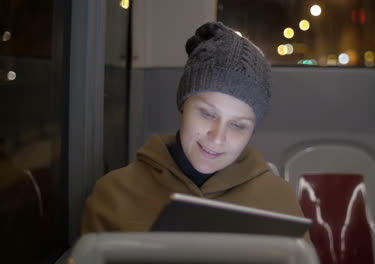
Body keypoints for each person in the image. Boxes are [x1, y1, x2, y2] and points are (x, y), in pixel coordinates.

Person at [81, 22, 305, 234]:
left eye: (237, 125)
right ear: (183, 105)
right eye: (207, 114)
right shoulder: (113, 195)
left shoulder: (280, 201)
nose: (217, 137)